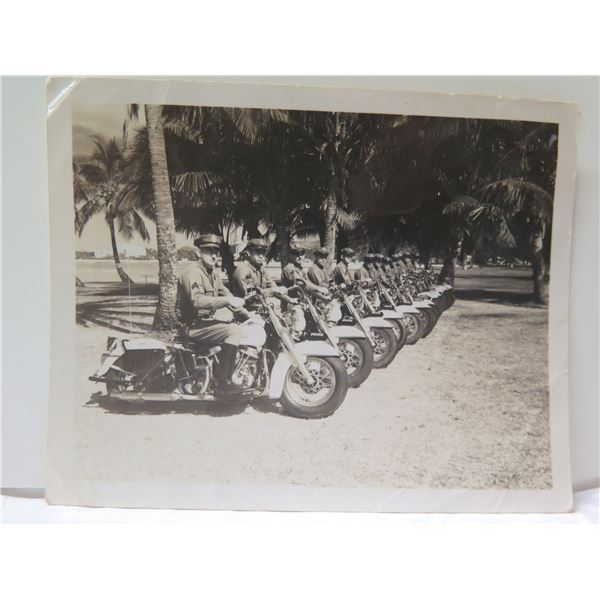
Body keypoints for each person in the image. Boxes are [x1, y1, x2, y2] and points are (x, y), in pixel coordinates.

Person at [176, 234, 262, 393]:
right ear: (198, 253)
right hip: (191, 326)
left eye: (216, 251)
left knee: (238, 326)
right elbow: (197, 301)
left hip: (204, 323)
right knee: (232, 331)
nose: (214, 255)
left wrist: (247, 315)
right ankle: (224, 382)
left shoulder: (213, 274)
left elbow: (228, 294)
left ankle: (226, 373)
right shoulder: (192, 272)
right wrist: (228, 302)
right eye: (208, 251)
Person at [231, 238, 297, 307]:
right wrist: (272, 290)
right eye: (257, 251)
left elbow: (274, 288)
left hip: (262, 308)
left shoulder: (261, 269)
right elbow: (250, 296)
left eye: (263, 252)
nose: (261, 255)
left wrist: (291, 300)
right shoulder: (243, 270)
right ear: (248, 253)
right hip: (247, 311)